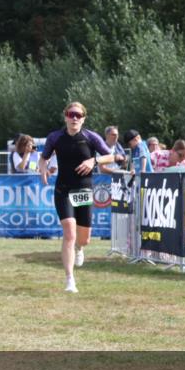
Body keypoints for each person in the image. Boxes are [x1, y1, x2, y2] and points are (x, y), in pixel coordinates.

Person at [39, 102, 114, 293]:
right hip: (63, 189)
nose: (74, 118)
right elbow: (44, 157)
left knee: (84, 238)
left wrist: (93, 160)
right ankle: (70, 279)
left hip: (83, 191)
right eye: (71, 114)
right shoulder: (55, 137)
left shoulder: (91, 137)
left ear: (83, 119)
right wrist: (43, 169)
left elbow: (111, 156)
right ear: (65, 116)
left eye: (78, 115)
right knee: (69, 234)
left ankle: (80, 249)